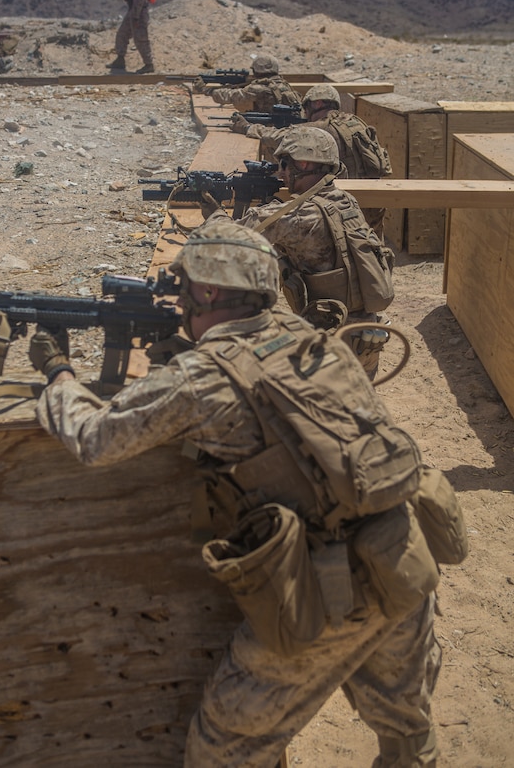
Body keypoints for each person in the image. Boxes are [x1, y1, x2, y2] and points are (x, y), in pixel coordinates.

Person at [28, 219, 442, 768]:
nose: (178, 301)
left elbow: (95, 439)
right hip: (405, 560)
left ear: (208, 291)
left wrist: (57, 373)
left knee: (224, 748)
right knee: (407, 731)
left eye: (186, 288)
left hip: (328, 592)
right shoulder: (319, 344)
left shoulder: (199, 378)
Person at [204, 125, 394, 379]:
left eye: (284, 164)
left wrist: (213, 211)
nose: (279, 173)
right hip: (364, 340)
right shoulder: (345, 201)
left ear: (304, 164)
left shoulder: (300, 216)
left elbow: (224, 241)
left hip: (327, 347)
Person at [232, 83, 392, 238]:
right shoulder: (356, 122)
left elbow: (280, 137)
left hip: (343, 203)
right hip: (372, 203)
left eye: (307, 108)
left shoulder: (323, 129)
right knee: (372, 249)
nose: (306, 113)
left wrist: (248, 127)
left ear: (318, 103)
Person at [194, 54, 301, 112]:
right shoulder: (283, 84)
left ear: (256, 71)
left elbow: (230, 96)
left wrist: (205, 90)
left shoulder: (257, 89)